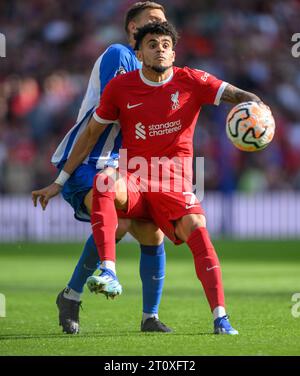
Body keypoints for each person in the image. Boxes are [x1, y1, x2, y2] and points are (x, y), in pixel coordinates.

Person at [51, 21, 271, 334]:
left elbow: (232, 93)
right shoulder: (121, 87)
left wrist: (258, 105)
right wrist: (60, 181)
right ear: (138, 52)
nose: (160, 49)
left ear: (174, 51)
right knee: (104, 181)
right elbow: (90, 135)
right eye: (152, 44)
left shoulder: (191, 79)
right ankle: (108, 271)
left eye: (166, 44)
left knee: (195, 228)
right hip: (136, 178)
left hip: (174, 184)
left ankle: (220, 318)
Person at [31, 2, 172, 335]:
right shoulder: (118, 54)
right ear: (133, 30)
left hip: (123, 165)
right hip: (86, 160)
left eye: (163, 22)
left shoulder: (157, 69)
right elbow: (124, 106)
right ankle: (84, 287)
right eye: (151, 21)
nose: (158, 26)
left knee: (152, 231)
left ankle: (146, 316)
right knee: (118, 223)